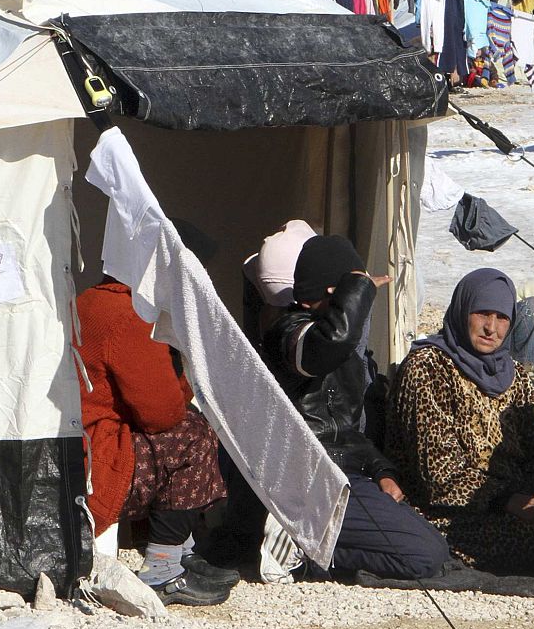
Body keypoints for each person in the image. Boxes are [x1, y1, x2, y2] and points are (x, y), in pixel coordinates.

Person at [260, 234, 448, 581]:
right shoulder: (290, 333)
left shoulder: (346, 349)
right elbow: (326, 347)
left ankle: (311, 546)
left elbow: (343, 427)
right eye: (355, 290)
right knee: (425, 554)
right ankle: (303, 552)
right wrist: (359, 289)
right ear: (336, 293)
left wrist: (381, 469)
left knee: (433, 544)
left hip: (346, 472)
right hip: (310, 479)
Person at [387, 269, 534, 573]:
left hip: (517, 503)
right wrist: (507, 500)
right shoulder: (427, 367)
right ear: (463, 310)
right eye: (482, 314)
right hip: (447, 512)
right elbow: (438, 474)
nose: (491, 328)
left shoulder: (514, 376)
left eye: (502, 318)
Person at [76, 276, 235, 607]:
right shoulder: (129, 313)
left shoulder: (92, 298)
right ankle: (162, 570)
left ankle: (182, 550)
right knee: (192, 436)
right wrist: (188, 371)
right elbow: (161, 413)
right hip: (95, 458)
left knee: (181, 432)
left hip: (83, 443)